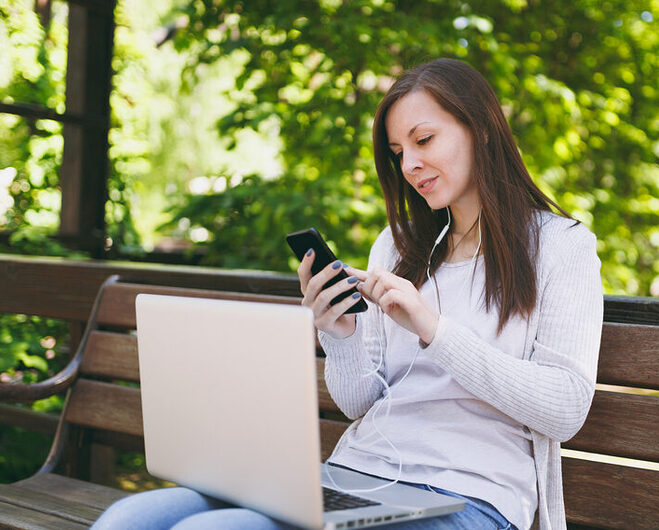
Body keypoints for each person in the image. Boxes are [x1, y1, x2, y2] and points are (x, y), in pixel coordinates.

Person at [92, 57, 603, 530]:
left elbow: (564, 410)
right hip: (359, 475)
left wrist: (433, 329)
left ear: (483, 129)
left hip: (468, 496)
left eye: (424, 140)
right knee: (132, 516)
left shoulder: (560, 247)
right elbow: (361, 403)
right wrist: (339, 334)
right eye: (399, 152)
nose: (409, 166)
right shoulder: (400, 246)